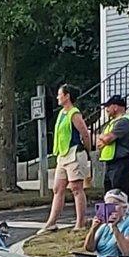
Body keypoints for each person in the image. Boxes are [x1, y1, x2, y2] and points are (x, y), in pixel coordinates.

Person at [40, 84, 92, 233]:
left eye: (59, 94)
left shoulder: (74, 113)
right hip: (63, 155)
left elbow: (85, 133)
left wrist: (87, 151)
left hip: (74, 153)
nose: (57, 97)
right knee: (57, 188)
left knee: (76, 188)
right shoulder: (62, 113)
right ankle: (51, 222)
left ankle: (80, 223)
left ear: (67, 96)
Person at [59, 190, 129, 257]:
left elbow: (127, 251)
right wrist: (94, 228)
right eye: (107, 205)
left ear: (124, 207)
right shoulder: (105, 224)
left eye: (115, 204)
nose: (111, 208)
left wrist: (114, 227)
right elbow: (89, 248)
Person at [97, 95, 129, 201]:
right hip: (111, 162)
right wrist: (103, 139)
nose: (106, 109)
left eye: (108, 106)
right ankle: (112, 216)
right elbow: (99, 143)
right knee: (110, 195)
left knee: (119, 196)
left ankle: (122, 216)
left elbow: (107, 139)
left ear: (115, 107)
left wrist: (102, 137)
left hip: (122, 163)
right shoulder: (113, 123)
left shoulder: (123, 122)